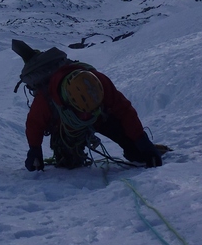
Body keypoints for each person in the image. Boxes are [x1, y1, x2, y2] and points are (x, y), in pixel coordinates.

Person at [24, 61, 163, 171]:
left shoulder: (101, 83)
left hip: (100, 117)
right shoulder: (46, 98)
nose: (86, 115)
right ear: (68, 102)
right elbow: (34, 124)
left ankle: (148, 149)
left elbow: (125, 111)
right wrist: (35, 150)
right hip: (66, 126)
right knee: (69, 164)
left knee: (137, 153)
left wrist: (141, 139)